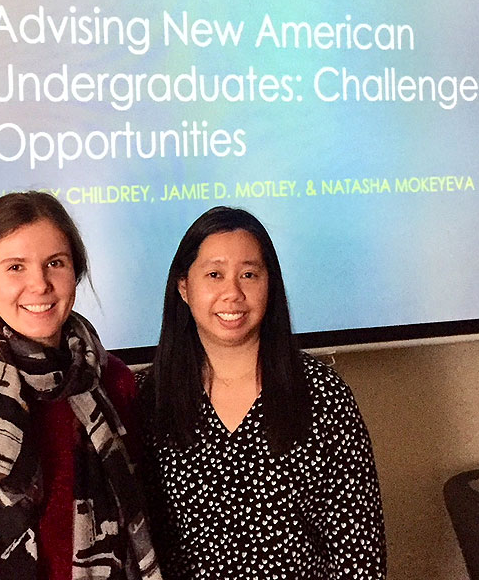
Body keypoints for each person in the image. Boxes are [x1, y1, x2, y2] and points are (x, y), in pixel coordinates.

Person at [0, 191, 161, 580]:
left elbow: (146, 513)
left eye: (55, 263)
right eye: (16, 267)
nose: (39, 284)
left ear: (76, 272)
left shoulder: (115, 381)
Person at [140, 207, 386, 579]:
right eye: (214, 274)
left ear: (270, 284)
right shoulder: (145, 398)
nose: (232, 293)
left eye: (249, 274)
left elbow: (359, 552)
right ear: (184, 288)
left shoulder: (322, 394)